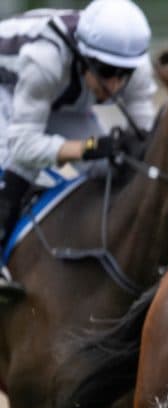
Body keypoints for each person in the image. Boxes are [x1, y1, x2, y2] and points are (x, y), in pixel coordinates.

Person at [0, 0, 156, 302]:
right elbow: (22, 146)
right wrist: (86, 148)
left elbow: (145, 140)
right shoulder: (46, 59)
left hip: (55, 95)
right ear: (83, 57)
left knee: (110, 168)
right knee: (14, 166)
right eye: (106, 71)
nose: (113, 84)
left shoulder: (136, 67)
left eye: (122, 73)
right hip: (8, 87)